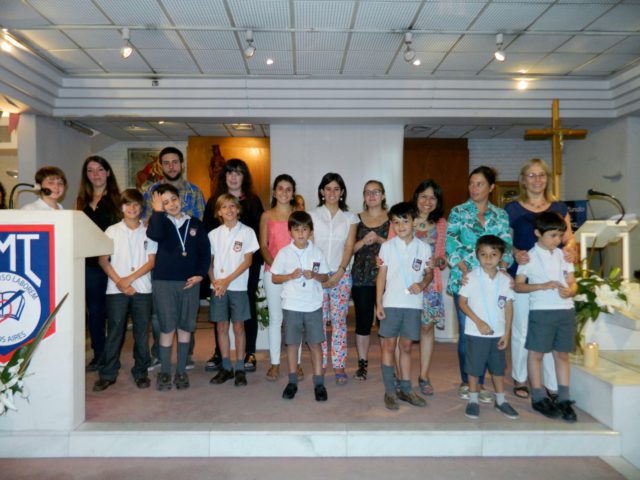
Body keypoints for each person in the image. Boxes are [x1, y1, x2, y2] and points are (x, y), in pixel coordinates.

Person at [506, 158, 577, 400]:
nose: (537, 179)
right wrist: (515, 252)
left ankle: (551, 383)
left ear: (547, 179)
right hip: (524, 274)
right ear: (523, 180)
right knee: (522, 328)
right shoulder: (512, 209)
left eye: (541, 175)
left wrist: (571, 249)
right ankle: (520, 377)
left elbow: (569, 239)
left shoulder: (559, 207)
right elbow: (506, 241)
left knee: (549, 331)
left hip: (554, 275)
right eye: (532, 175)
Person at [446, 166, 513, 403]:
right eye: (471, 183)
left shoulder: (500, 215)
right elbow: (451, 246)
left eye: (480, 184)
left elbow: (506, 250)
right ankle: (468, 381)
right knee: (469, 334)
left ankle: (482, 383)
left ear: (491, 187)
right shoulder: (458, 212)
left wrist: (502, 268)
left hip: (493, 283)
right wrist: (467, 271)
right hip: (466, 281)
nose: (474, 188)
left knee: (490, 332)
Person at [142, 147, 206, 370]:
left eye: (175, 162)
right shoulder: (150, 192)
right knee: (160, 317)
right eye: (166, 162)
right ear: (160, 165)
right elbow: (149, 226)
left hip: (187, 268)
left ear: (182, 164)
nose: (171, 166)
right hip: (163, 267)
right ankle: (160, 356)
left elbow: (198, 230)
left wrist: (199, 270)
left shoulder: (195, 192)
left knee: (187, 318)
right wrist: (158, 212)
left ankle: (184, 358)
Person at [515, 211, 578, 422]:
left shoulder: (564, 255)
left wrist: (571, 290)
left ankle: (564, 398)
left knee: (562, 355)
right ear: (538, 233)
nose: (557, 240)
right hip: (541, 311)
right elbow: (519, 285)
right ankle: (538, 396)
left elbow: (573, 282)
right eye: (552, 235)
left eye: (560, 236)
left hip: (565, 310)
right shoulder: (528, 257)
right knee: (536, 354)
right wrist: (542, 286)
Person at [147, 184, 210, 391]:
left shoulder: (195, 223)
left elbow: (205, 252)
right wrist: (157, 212)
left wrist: (201, 274)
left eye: (173, 199)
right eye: (165, 202)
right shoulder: (159, 222)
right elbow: (155, 235)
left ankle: (181, 371)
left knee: (185, 327)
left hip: (189, 283)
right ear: (159, 206)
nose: (171, 204)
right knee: (167, 327)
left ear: (180, 199)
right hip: (164, 283)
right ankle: (165, 371)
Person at [203, 159, 264, 373]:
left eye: (238, 173)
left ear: (244, 177)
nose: (234, 177)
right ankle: (220, 353)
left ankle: (249, 353)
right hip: (219, 267)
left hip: (246, 265)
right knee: (220, 312)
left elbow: (259, 233)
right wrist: (214, 277)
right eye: (230, 173)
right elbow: (207, 236)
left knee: (246, 309)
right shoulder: (214, 201)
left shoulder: (253, 201)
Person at [93, 189, 156, 392]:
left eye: (136, 204)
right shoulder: (111, 231)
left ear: (142, 207)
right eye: (128, 204)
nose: (132, 208)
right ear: (121, 207)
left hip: (142, 289)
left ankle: (141, 372)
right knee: (114, 331)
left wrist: (128, 280)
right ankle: (108, 373)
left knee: (141, 333)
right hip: (115, 289)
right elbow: (103, 260)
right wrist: (119, 281)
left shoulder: (149, 231)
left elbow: (151, 262)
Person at [376, 202, 433, 410]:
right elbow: (381, 277)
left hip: (413, 305)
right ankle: (390, 391)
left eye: (405, 221)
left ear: (414, 222)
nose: (400, 226)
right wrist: (378, 303)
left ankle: (406, 389)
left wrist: (422, 284)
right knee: (388, 346)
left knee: (407, 347)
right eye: (396, 222)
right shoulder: (387, 247)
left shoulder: (424, 248)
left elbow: (429, 273)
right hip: (391, 303)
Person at [271, 211, 330, 401]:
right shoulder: (284, 253)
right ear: (290, 232)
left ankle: (319, 383)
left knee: (315, 344)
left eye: (305, 229)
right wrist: (290, 276)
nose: (301, 233)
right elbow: (274, 277)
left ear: (311, 231)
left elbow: (325, 276)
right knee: (292, 344)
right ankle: (292, 382)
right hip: (292, 305)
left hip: (313, 305)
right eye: (296, 230)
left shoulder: (317, 252)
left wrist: (315, 275)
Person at [458, 235, 518, 420]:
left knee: (498, 369)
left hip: (498, 333)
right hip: (475, 333)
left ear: (501, 256)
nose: (488, 258)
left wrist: (506, 334)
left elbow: (509, 307)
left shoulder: (506, 280)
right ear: (477, 255)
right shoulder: (470, 278)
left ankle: (501, 400)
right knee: (474, 369)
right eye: (483, 254)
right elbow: (462, 302)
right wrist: (478, 322)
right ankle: (473, 400)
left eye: (493, 254)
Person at [310, 173, 358, 384]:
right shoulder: (312, 215)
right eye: (328, 188)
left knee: (339, 321)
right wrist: (320, 276)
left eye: (336, 189)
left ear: (342, 192)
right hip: (317, 275)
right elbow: (310, 246)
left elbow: (349, 246)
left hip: (341, 274)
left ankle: (339, 364)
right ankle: (320, 364)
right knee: (318, 322)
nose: (332, 193)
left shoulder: (350, 217)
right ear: (322, 191)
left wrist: (339, 272)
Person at [208, 194, 259, 387]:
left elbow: (248, 261)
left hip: (237, 287)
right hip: (218, 288)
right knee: (221, 327)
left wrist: (227, 281)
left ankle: (240, 367)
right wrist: (215, 282)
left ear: (238, 209)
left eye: (232, 206)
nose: (228, 210)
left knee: (239, 327)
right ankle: (226, 367)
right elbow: (209, 263)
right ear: (219, 212)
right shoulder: (213, 234)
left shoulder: (247, 232)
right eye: (224, 207)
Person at [76, 156, 122, 372]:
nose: (95, 174)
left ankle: (113, 355)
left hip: (114, 263)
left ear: (108, 173)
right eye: (91, 170)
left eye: (100, 169)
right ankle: (99, 354)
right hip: (90, 265)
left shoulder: (118, 200)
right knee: (94, 312)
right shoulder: (81, 202)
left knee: (115, 313)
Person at [259, 174, 303, 381]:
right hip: (273, 273)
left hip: (296, 275)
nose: (284, 192)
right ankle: (275, 363)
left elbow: (305, 243)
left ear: (293, 193)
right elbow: (263, 245)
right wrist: (277, 268)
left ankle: (298, 363)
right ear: (274, 192)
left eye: (288, 189)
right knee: (276, 319)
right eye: (280, 188)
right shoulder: (266, 216)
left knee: (294, 320)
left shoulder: (299, 215)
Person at [351, 180, 390, 381]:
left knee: (386, 324)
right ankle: (362, 364)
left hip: (388, 278)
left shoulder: (393, 218)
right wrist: (363, 241)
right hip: (361, 277)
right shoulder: (355, 219)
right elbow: (348, 248)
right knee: (363, 322)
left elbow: (400, 246)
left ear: (383, 195)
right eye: (368, 192)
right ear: (364, 196)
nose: (372, 195)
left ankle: (387, 363)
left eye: (376, 192)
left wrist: (381, 240)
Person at [412, 179, 447, 396]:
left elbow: (442, 257)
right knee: (403, 331)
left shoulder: (441, 224)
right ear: (416, 197)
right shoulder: (404, 218)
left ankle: (424, 375)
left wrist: (439, 261)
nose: (427, 201)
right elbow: (390, 248)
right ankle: (400, 374)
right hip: (405, 284)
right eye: (423, 196)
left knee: (426, 328)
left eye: (432, 197)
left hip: (431, 283)